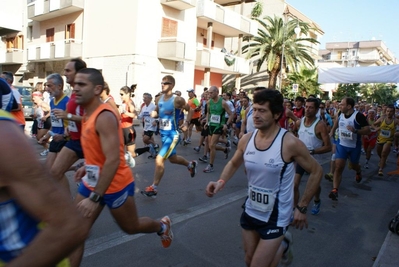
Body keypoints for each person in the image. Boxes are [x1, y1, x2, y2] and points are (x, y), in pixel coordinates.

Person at [206, 89, 323, 267]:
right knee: (249, 260)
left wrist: (302, 207)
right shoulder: (247, 139)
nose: (256, 115)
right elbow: (234, 163)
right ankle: (282, 245)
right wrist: (220, 181)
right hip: (251, 209)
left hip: (276, 216)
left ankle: (281, 243)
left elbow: (316, 171)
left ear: (276, 114)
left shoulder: (289, 143)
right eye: (255, 109)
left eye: (262, 111)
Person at [70, 68, 173, 267]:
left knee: (131, 227)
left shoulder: (105, 116)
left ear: (97, 88)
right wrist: (87, 165)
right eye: (75, 84)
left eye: (82, 84)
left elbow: (113, 160)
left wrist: (95, 198)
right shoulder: (87, 114)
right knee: (76, 231)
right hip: (92, 181)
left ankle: (162, 226)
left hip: (114, 184)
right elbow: (98, 151)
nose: (76, 88)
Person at [0, 109, 88, 266]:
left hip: (77, 146)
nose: (75, 88)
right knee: (53, 173)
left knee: (131, 225)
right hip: (62, 141)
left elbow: (70, 226)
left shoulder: (4, 134)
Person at [141, 75, 197, 198]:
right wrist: (155, 115)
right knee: (173, 158)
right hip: (163, 134)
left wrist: (187, 123)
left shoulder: (178, 100)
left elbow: (191, 111)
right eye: (161, 82)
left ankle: (154, 188)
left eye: (165, 83)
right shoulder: (160, 99)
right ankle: (190, 165)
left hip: (173, 135)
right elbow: (157, 111)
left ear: (171, 85)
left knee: (159, 159)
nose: (162, 85)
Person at [50, 58, 87, 192]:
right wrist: (66, 132)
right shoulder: (72, 91)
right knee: (54, 172)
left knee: (100, 182)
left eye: (68, 70)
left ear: (78, 73)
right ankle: (67, 204)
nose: (64, 73)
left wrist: (68, 116)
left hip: (88, 141)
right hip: (74, 140)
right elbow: (72, 116)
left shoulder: (85, 91)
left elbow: (93, 119)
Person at [294, 98, 331, 215]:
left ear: (316, 110)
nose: (307, 109)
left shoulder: (320, 125)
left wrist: (313, 151)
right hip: (301, 159)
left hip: (314, 161)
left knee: (314, 187)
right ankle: (295, 209)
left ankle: (316, 200)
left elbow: (328, 147)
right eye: (307, 106)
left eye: (311, 107)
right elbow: (293, 134)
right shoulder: (299, 122)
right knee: (294, 185)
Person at [328, 97, 370, 200]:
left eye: (342, 104)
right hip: (342, 145)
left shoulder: (358, 116)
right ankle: (335, 190)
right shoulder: (340, 114)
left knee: (354, 165)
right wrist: (332, 131)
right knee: (339, 166)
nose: (339, 106)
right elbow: (336, 123)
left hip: (354, 146)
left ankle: (358, 171)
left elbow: (367, 130)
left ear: (349, 106)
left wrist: (355, 131)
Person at [38, 74, 69, 165]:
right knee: (50, 170)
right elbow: (55, 123)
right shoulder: (52, 102)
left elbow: (73, 125)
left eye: (49, 86)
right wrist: (46, 136)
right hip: (55, 139)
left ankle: (77, 168)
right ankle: (76, 168)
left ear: (59, 86)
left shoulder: (68, 102)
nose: (47, 89)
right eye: (46, 86)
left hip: (64, 141)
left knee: (58, 171)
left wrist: (63, 136)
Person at [203, 85, 234, 173]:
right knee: (210, 145)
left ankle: (211, 165)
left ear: (217, 92)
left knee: (212, 145)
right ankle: (225, 149)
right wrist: (206, 122)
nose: (210, 94)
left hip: (219, 125)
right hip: (211, 125)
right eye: (209, 92)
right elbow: (209, 113)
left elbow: (231, 114)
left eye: (211, 92)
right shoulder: (209, 102)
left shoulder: (223, 103)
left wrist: (226, 124)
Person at [373, 104, 399, 176]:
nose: (389, 113)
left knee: (384, 153)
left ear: (393, 112)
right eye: (387, 111)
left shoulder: (396, 120)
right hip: (380, 139)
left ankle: (380, 169)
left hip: (389, 140)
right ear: (385, 111)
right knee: (380, 153)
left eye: (391, 111)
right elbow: (374, 124)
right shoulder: (382, 118)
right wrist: (376, 129)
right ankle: (382, 160)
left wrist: (396, 133)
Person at [119, 85, 138, 168]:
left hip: (128, 129)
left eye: (122, 94)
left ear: (128, 94)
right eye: (120, 94)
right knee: (120, 152)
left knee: (131, 154)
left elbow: (134, 115)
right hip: (121, 129)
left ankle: (146, 149)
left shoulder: (130, 103)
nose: (120, 96)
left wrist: (125, 112)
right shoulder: (123, 103)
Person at [135, 92, 158, 158]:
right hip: (146, 126)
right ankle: (154, 153)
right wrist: (135, 115)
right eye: (143, 98)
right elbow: (140, 116)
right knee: (150, 139)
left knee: (145, 139)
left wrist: (156, 121)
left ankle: (155, 145)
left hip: (152, 126)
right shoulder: (144, 107)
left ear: (150, 99)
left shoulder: (153, 106)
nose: (144, 99)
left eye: (145, 98)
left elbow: (159, 115)